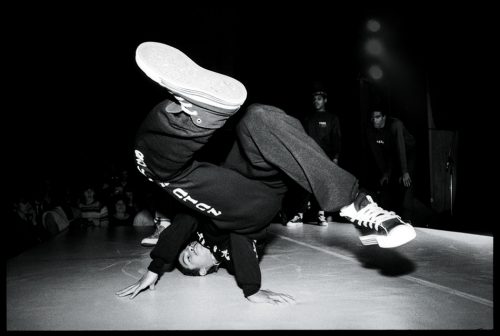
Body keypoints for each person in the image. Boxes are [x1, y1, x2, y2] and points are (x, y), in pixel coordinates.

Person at [116, 42, 416, 304]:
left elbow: (177, 229)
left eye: (185, 252)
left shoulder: (194, 228)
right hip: (256, 205)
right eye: (189, 260)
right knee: (165, 175)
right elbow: (241, 243)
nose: (190, 251)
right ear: (206, 270)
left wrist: (156, 267)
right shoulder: (230, 259)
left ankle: (201, 113)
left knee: (257, 117)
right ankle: (195, 121)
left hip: (240, 171)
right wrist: (251, 290)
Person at [286, 87, 342, 227]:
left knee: (322, 187)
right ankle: (299, 216)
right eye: (314, 99)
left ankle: (321, 215)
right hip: (308, 157)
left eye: (319, 99)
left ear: (325, 100)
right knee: (305, 186)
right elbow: (303, 138)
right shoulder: (308, 118)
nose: (316, 102)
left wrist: (335, 158)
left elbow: (336, 139)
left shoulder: (332, 118)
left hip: (325, 158)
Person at [365, 109, 416, 221]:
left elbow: (401, 147)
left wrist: (405, 171)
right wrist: (386, 173)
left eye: (377, 117)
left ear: (384, 117)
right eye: (372, 118)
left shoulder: (395, 125)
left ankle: (408, 218)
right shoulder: (371, 130)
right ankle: (389, 215)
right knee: (387, 181)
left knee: (406, 181)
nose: (374, 120)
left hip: (408, 152)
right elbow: (378, 154)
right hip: (392, 154)